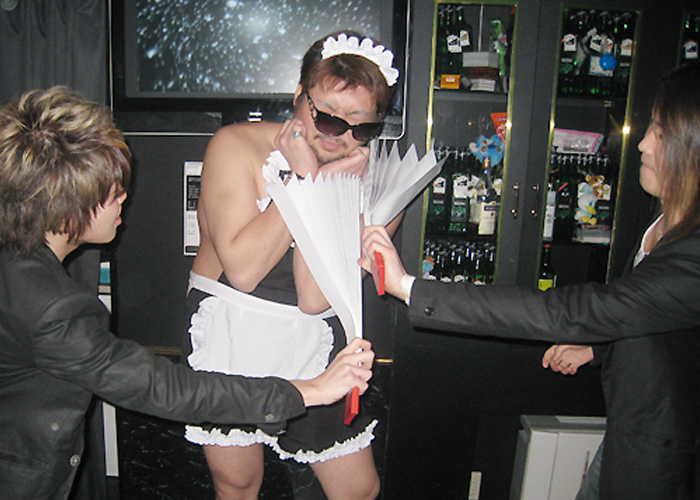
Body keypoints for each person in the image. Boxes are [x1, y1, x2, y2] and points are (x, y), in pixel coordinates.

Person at [0, 86, 375, 500]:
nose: (124, 196)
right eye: (110, 189)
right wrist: (312, 389)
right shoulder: (53, 308)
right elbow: (164, 390)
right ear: (66, 205)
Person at [360, 61, 700, 500]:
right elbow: (654, 319)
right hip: (624, 438)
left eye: (661, 133)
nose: (643, 144)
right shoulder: (669, 221)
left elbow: (570, 311)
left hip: (662, 457)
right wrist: (599, 347)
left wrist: (408, 286)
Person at [183, 31, 400, 500]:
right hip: (231, 330)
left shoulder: (381, 182)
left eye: (360, 128)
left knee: (358, 489)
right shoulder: (236, 145)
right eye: (327, 116)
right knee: (239, 484)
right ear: (299, 95)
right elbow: (244, 270)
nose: (339, 136)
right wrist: (303, 181)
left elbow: (315, 298)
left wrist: (323, 184)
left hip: (314, 337)